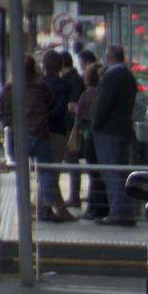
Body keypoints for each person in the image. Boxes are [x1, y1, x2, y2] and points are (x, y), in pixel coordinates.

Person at [0, 54, 68, 223]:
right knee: (46, 172)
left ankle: (23, 206)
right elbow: (50, 102)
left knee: (21, 174)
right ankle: (46, 207)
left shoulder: (8, 89)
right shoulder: (41, 87)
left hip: (18, 137)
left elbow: (0, 113)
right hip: (40, 135)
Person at [91, 44, 138, 226]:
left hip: (108, 131)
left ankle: (118, 212)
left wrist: (95, 124)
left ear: (109, 58)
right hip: (123, 129)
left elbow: (102, 104)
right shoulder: (128, 76)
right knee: (121, 171)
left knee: (111, 172)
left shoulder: (110, 77)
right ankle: (124, 210)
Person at [40, 50, 75, 219]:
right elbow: (61, 110)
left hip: (39, 132)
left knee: (46, 172)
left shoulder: (39, 84)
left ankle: (52, 208)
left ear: (44, 65)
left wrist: (41, 119)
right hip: (58, 132)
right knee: (52, 172)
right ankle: (47, 208)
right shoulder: (64, 86)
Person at [74, 63, 108, 219]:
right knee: (100, 174)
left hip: (89, 138)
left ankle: (94, 207)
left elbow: (79, 119)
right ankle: (100, 206)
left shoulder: (87, 95)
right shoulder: (102, 93)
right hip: (102, 139)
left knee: (93, 174)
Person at [60, 51, 86, 206]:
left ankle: (74, 195)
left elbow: (74, 105)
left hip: (70, 128)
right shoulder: (74, 79)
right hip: (70, 127)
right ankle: (74, 195)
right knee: (71, 162)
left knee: (72, 161)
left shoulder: (72, 81)